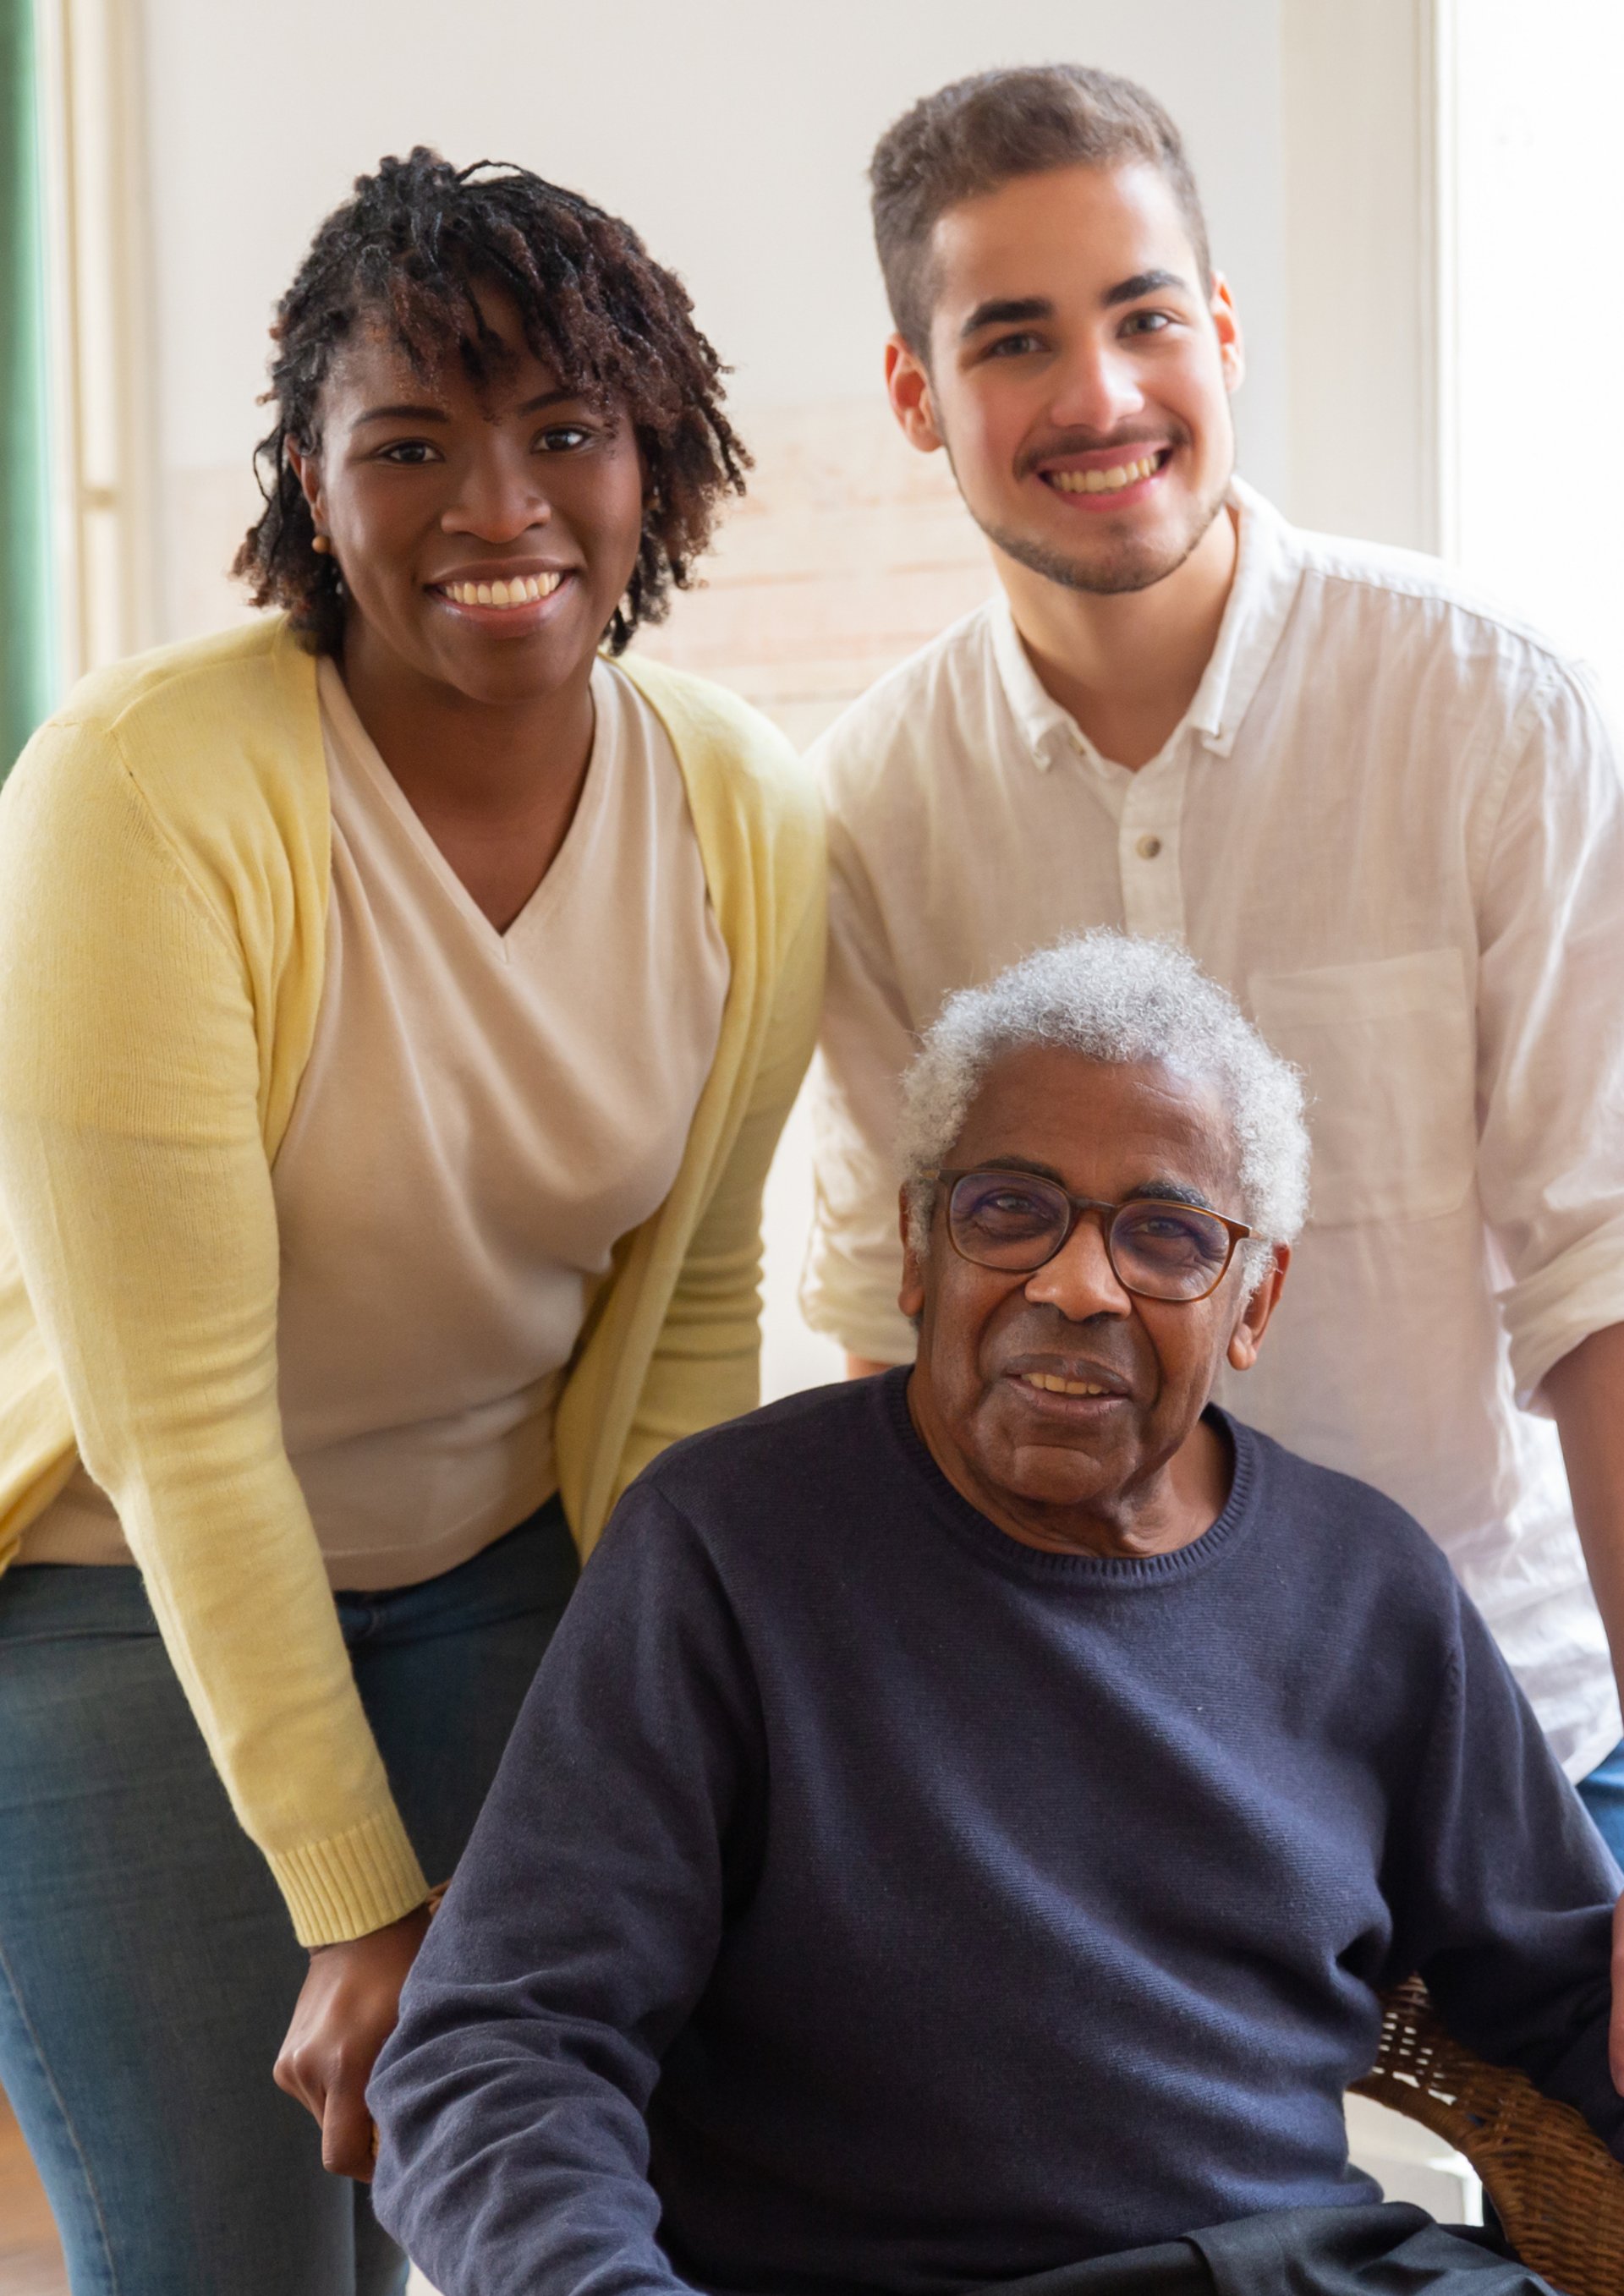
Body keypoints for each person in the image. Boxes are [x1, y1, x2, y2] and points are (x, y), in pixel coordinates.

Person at [0, 150, 822, 2296]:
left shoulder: (747, 808)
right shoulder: (140, 791)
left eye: (567, 428)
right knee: (227, 2263)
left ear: (660, 463)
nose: (497, 504)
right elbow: (175, 1421)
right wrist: (359, 1898)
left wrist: (668, 1728)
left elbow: (694, 1311)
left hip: (501, 1579)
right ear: (308, 472)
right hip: (111, 1596)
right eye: (412, 441)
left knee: (488, 2215)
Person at [370, 930, 1619, 2296]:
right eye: (1012, 1209)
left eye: (1166, 1235)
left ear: (1253, 1300)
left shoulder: (1369, 1585)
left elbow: (1572, 1997)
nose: (1077, 1286)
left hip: (1307, 2270)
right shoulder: (729, 1545)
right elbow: (500, 2050)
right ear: (917, 1249)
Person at [801, 63, 1624, 1864]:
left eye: (1144, 315)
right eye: (1013, 338)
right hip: (1082, 1774)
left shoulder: (1496, 712)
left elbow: (1604, 1275)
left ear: (1222, 329)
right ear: (915, 396)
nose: (1098, 395)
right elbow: (899, 1329)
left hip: (1516, 1741)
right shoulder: (860, 810)